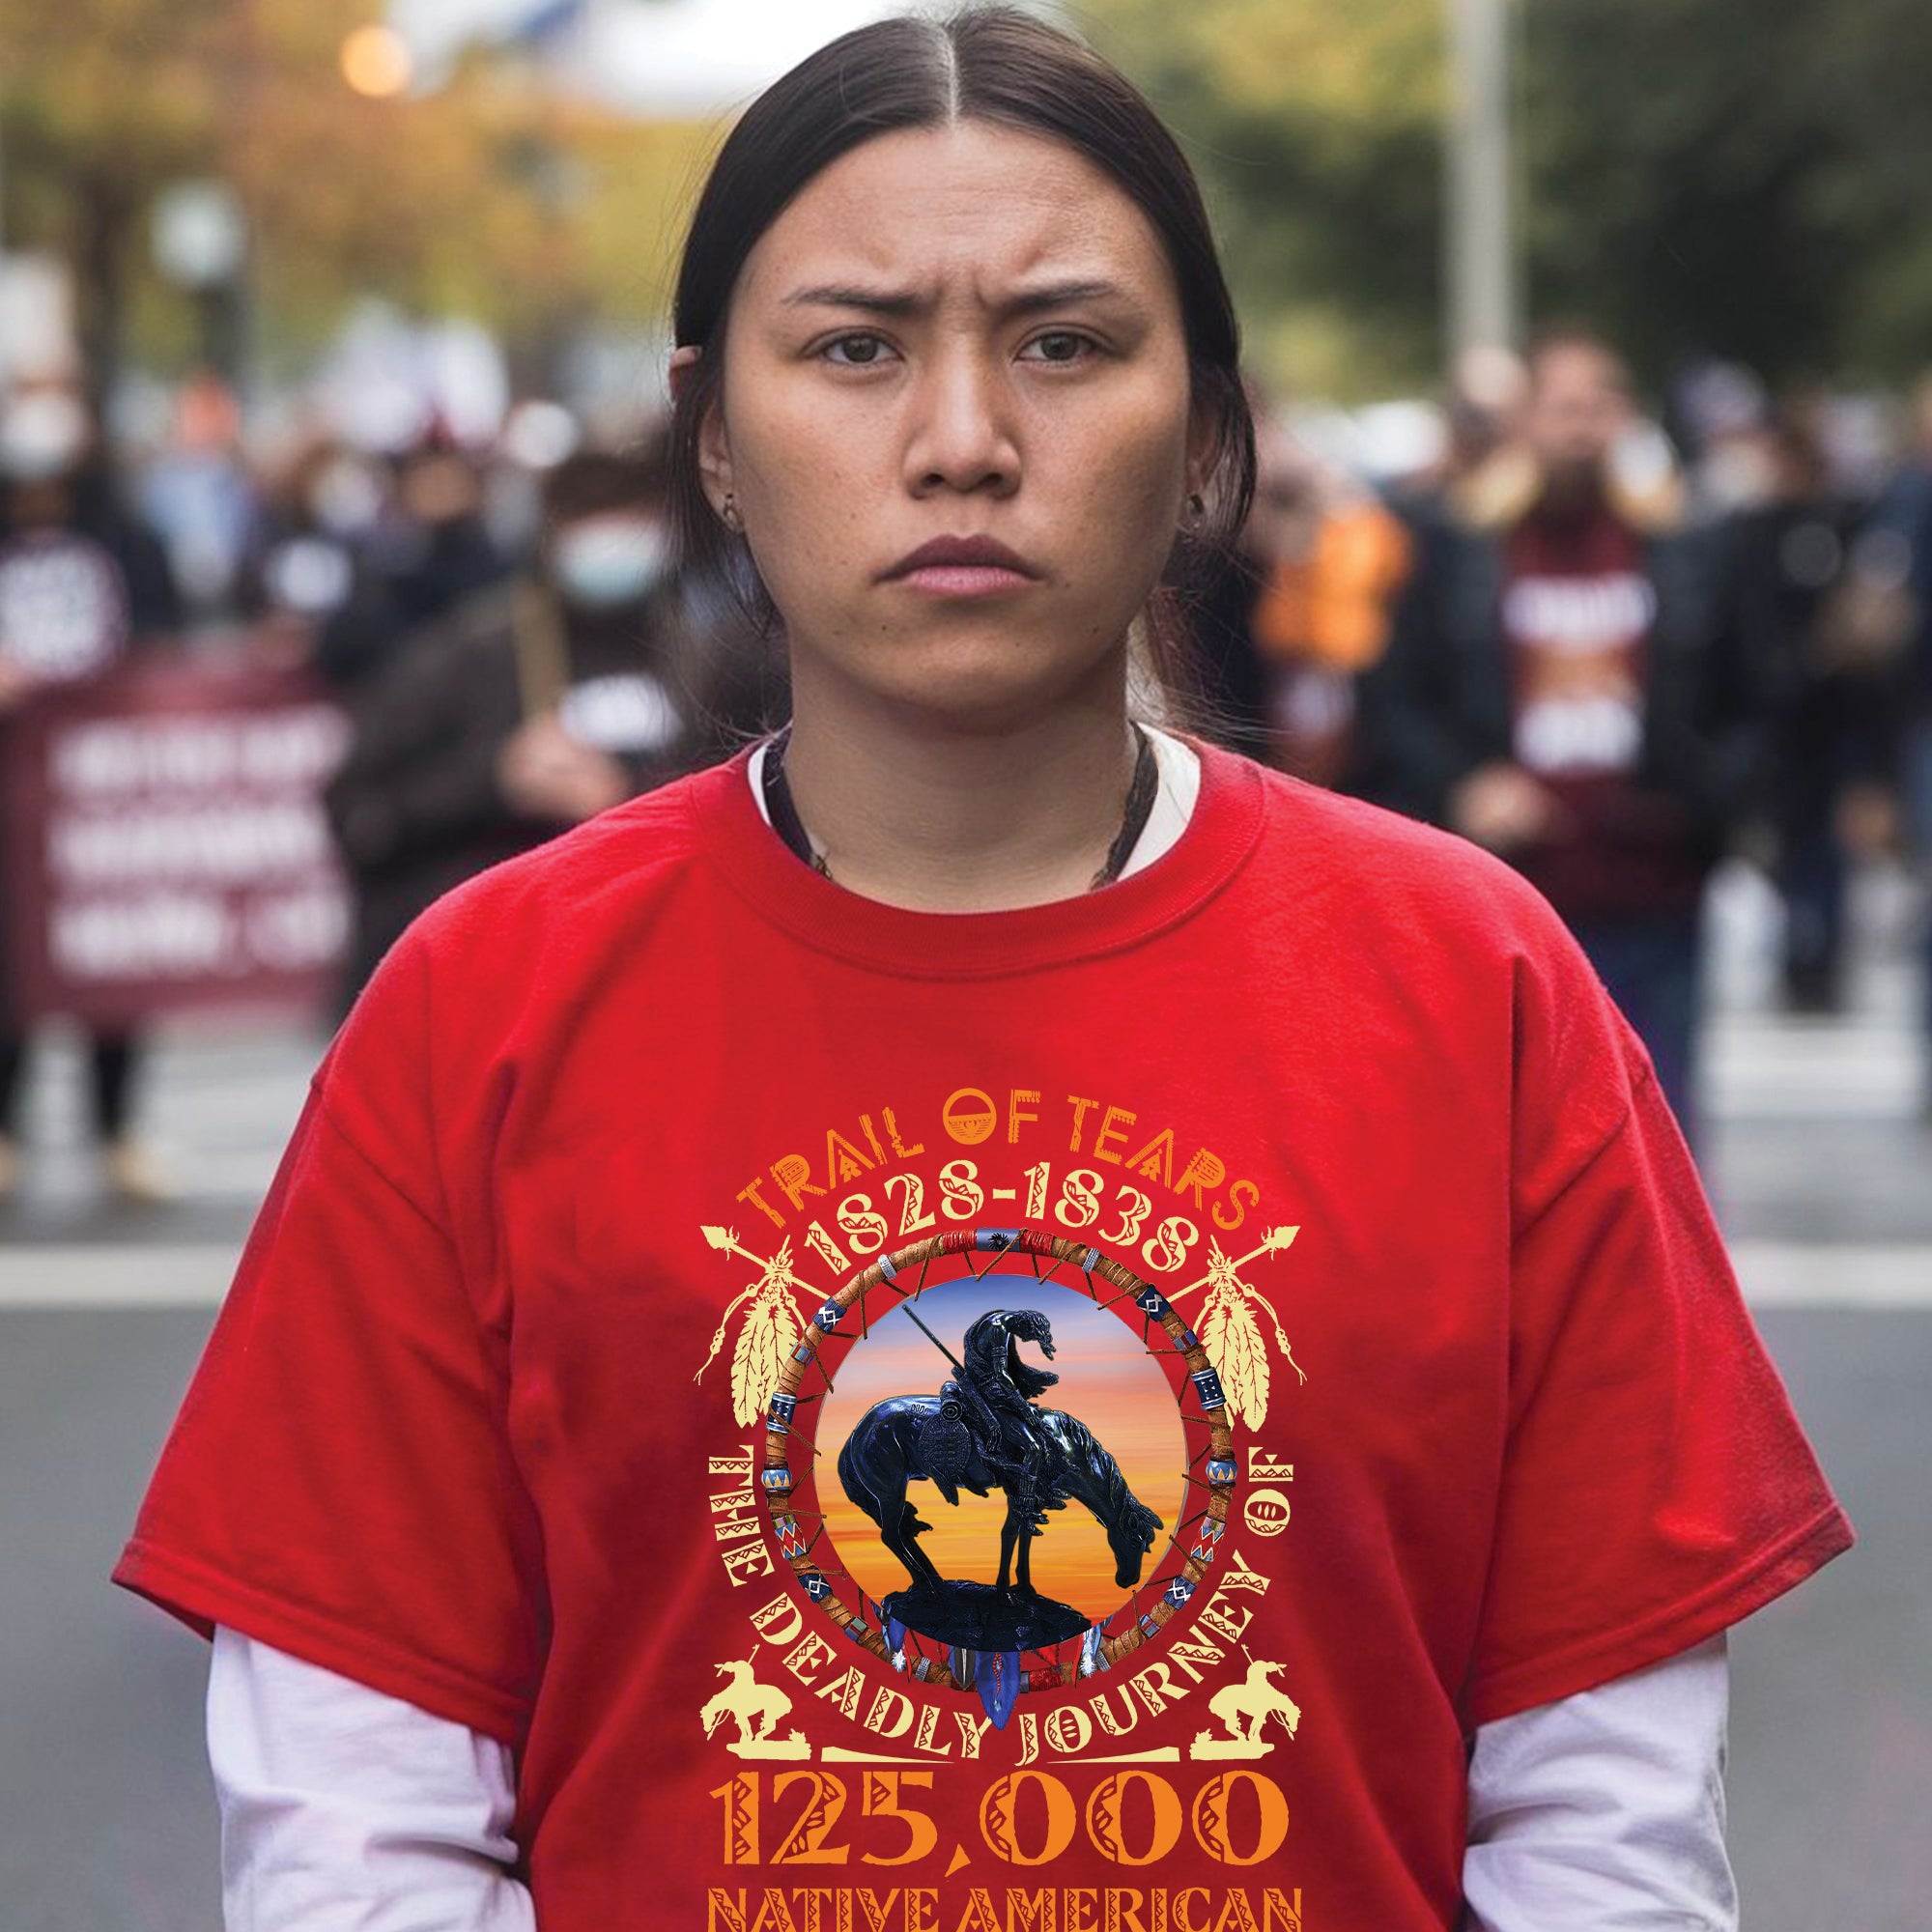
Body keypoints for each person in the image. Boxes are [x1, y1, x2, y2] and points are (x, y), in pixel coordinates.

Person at [114, 13, 1850, 1930]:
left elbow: (1602, 1819)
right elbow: (363, 1829)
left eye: (1065, 344)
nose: (960, 440)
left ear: (1204, 432)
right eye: (854, 349)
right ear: (711, 430)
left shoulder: (1473, 983)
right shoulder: (483, 1007)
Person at [1360, 333, 1767, 1145]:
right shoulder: (1460, 550)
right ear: (1526, 421)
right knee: (1515, 1141)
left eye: (1597, 406)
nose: (1579, 427)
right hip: (1513, 900)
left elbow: (1754, 696)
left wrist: (1705, 800)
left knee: (1659, 1133)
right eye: (1561, 407)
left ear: (1624, 419)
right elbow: (1392, 699)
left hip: (1656, 892)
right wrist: (1463, 785)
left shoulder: (1687, 550)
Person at [0, 382, 183, 1204]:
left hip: (104, 789)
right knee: (12, 951)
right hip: (12, 787)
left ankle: (118, 1130)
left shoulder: (128, 537)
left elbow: (167, 640)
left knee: (112, 959)